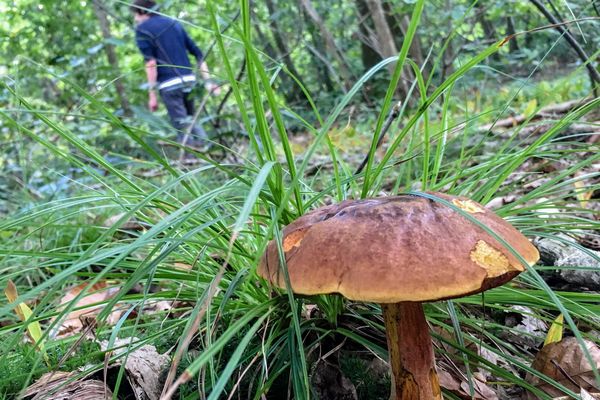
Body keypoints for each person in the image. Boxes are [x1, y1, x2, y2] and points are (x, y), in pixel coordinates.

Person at [131, 0, 220, 148]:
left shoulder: (142, 29)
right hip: (189, 80)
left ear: (143, 12)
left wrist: (152, 95)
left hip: (169, 84)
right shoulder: (174, 23)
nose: (135, 19)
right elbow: (198, 54)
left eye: (136, 15)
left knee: (182, 126)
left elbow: (151, 63)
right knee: (190, 120)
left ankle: (193, 157)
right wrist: (209, 82)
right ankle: (209, 151)